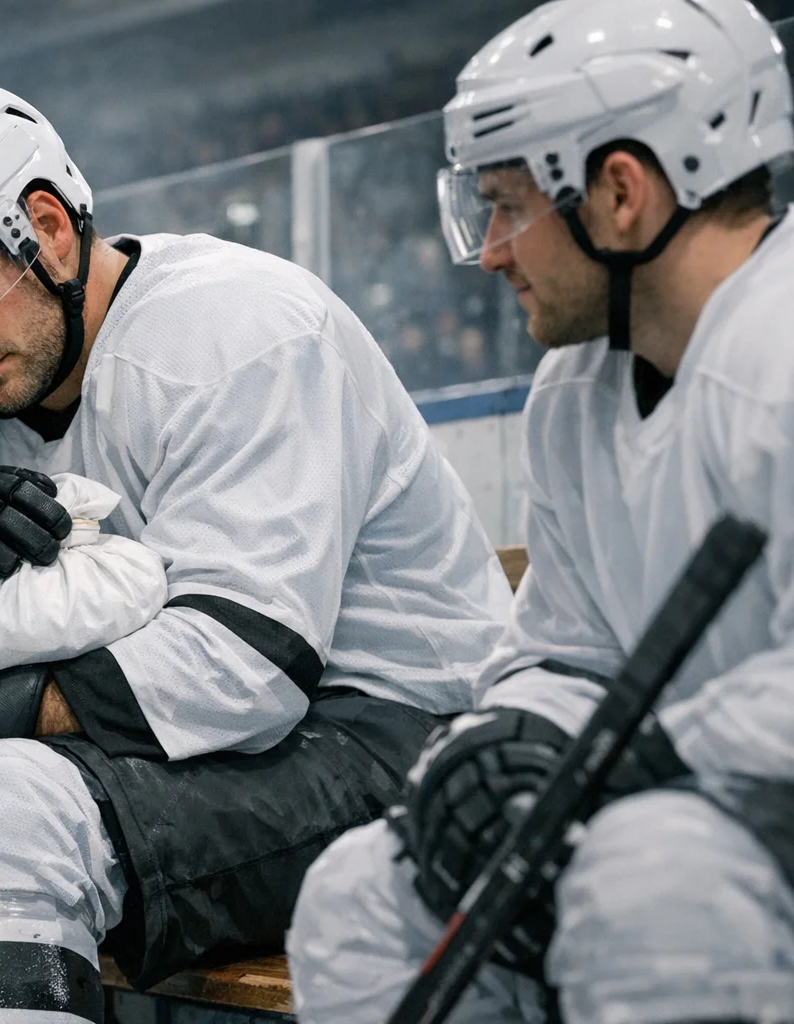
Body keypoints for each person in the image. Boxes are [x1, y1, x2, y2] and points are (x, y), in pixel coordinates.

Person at [0, 77, 512, 1022]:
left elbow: (246, 669)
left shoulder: (239, 327)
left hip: (385, 733)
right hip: (141, 751)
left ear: (48, 228)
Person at [285, 1, 794, 1021]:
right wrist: (512, 742)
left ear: (620, 192)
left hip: (720, 822)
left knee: (646, 877)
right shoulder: (573, 388)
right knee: (358, 896)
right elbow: (566, 647)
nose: (491, 252)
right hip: (685, 800)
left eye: (510, 206)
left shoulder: (777, 356)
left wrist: (630, 763)